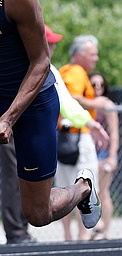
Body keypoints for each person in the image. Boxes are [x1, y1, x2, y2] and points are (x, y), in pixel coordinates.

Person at [0, 1, 101, 255]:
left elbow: (42, 62)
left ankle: (83, 188)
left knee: (37, 213)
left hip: (34, 102)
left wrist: (9, 118)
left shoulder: (18, 2)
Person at [0, 24, 109, 245]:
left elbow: (68, 101)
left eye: (51, 43)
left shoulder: (51, 69)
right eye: (47, 42)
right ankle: (20, 232)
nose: (51, 47)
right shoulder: (11, 61)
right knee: (13, 182)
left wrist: (90, 122)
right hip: (17, 129)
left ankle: (83, 191)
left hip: (38, 133)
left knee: (38, 203)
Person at [57, 35, 110, 241]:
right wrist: (99, 103)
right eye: (92, 53)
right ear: (78, 55)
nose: (95, 58)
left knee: (63, 188)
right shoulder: (76, 72)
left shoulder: (63, 71)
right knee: (85, 187)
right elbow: (74, 98)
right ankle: (81, 236)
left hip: (62, 138)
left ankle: (69, 236)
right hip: (78, 137)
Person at [88, 72, 119, 240]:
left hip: (103, 153)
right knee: (89, 192)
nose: (97, 88)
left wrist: (112, 157)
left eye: (101, 85)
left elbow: (114, 133)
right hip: (87, 151)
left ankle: (104, 230)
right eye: (93, 85)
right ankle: (93, 230)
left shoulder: (107, 105)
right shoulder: (86, 104)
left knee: (102, 191)